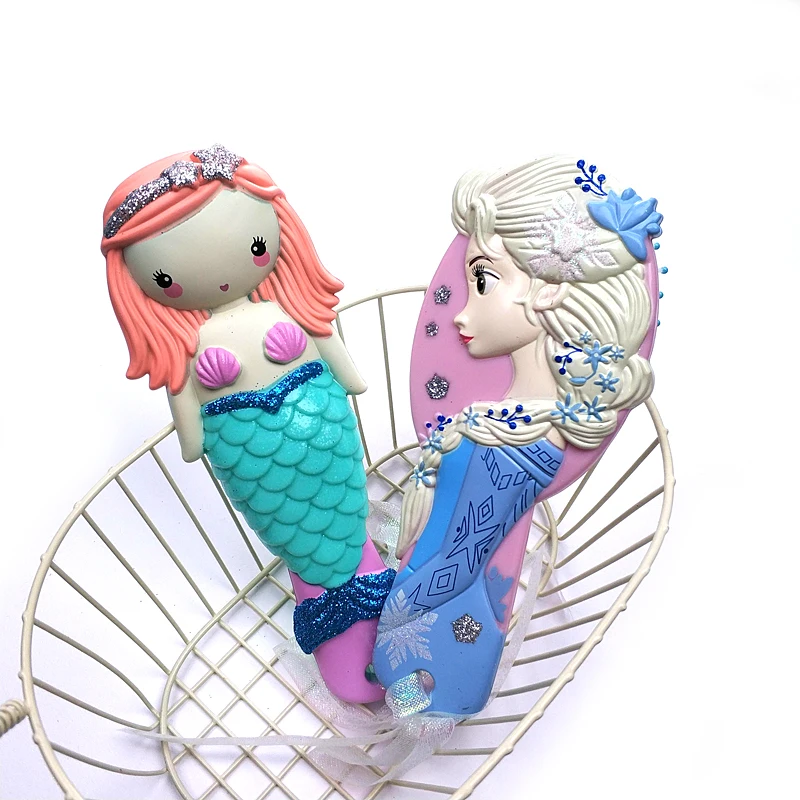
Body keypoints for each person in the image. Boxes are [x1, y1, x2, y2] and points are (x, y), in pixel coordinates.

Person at [101, 145, 390, 702]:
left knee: (343, 523)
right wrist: (195, 434)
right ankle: (343, 616)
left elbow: (332, 350)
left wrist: (348, 375)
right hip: (245, 447)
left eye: (258, 245)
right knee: (303, 543)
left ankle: (371, 600)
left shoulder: (287, 311)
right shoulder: (189, 351)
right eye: (165, 277)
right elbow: (187, 418)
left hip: (321, 427)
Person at [373, 155, 660, 715]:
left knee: (409, 706)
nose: (461, 312)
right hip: (437, 629)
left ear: (548, 292)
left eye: (482, 282)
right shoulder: (511, 427)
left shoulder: (514, 451)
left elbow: (458, 562)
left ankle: (417, 711)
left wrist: (389, 623)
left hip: (432, 645)